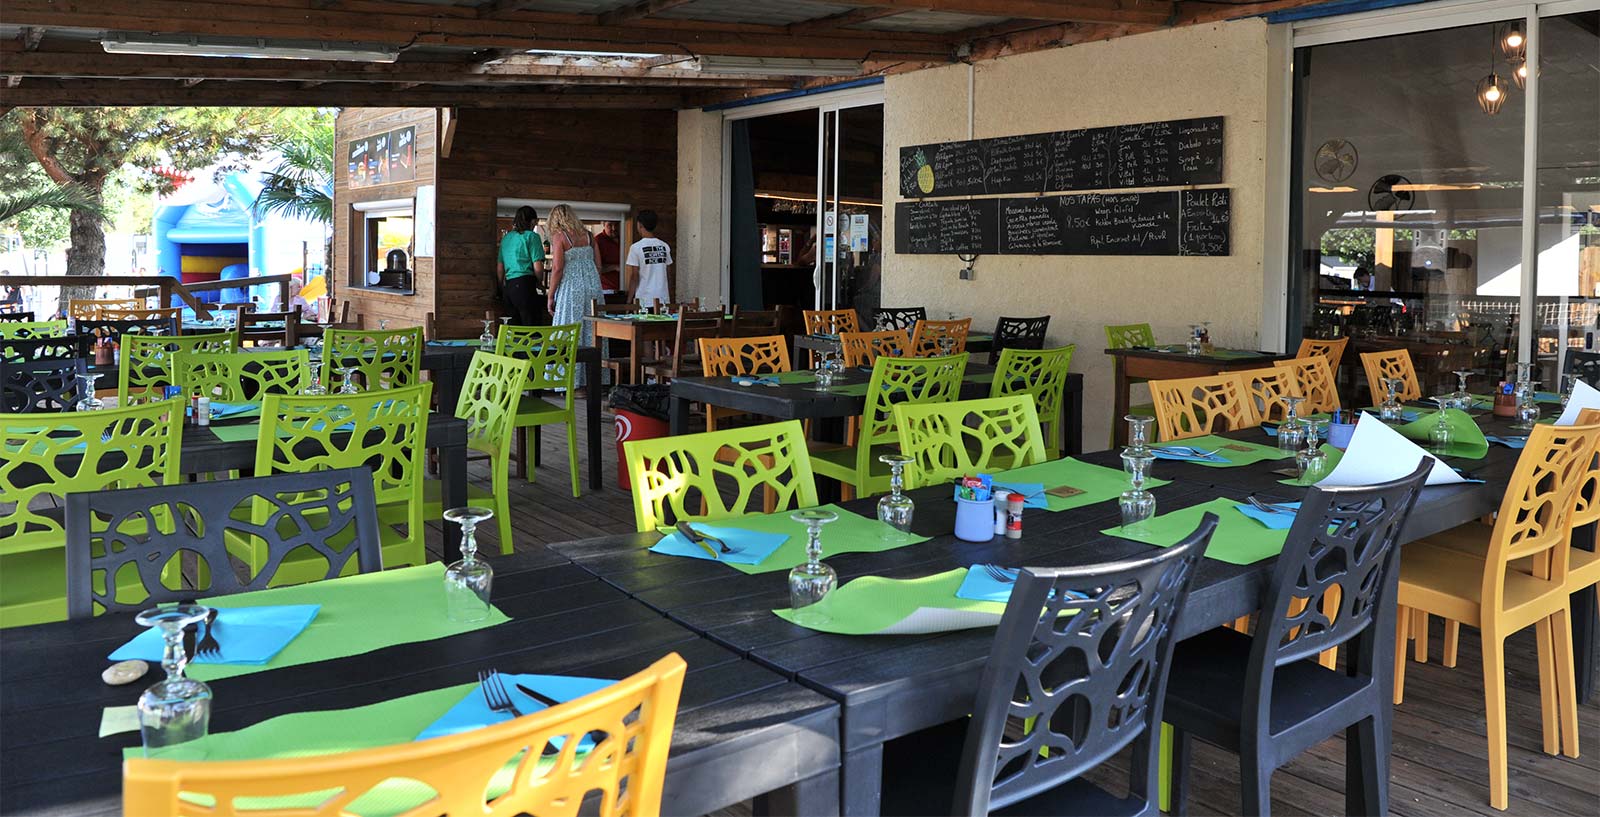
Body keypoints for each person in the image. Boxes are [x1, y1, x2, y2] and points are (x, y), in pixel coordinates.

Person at [546, 204, 603, 388]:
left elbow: (557, 268)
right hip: (593, 286)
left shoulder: (560, 237)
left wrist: (550, 295)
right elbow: (599, 265)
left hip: (572, 288)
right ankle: (592, 381)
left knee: (569, 329)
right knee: (592, 331)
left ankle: (568, 381)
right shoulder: (589, 235)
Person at [498, 205, 548, 326]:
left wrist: (501, 287)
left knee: (514, 328)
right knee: (531, 327)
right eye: (535, 222)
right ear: (532, 221)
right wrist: (539, 282)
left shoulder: (506, 238)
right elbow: (538, 265)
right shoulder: (532, 236)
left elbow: (500, 266)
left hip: (509, 286)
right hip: (525, 284)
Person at [625, 210, 673, 308]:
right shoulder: (664, 246)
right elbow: (668, 274)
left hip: (644, 299)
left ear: (640, 225)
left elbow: (634, 276)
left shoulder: (636, 247)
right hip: (663, 299)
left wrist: (629, 301)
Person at [594, 220, 622, 292]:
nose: (614, 228)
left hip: (626, 287)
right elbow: (594, 268)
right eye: (610, 225)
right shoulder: (597, 241)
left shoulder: (625, 237)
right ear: (603, 224)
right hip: (607, 289)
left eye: (616, 225)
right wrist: (614, 267)